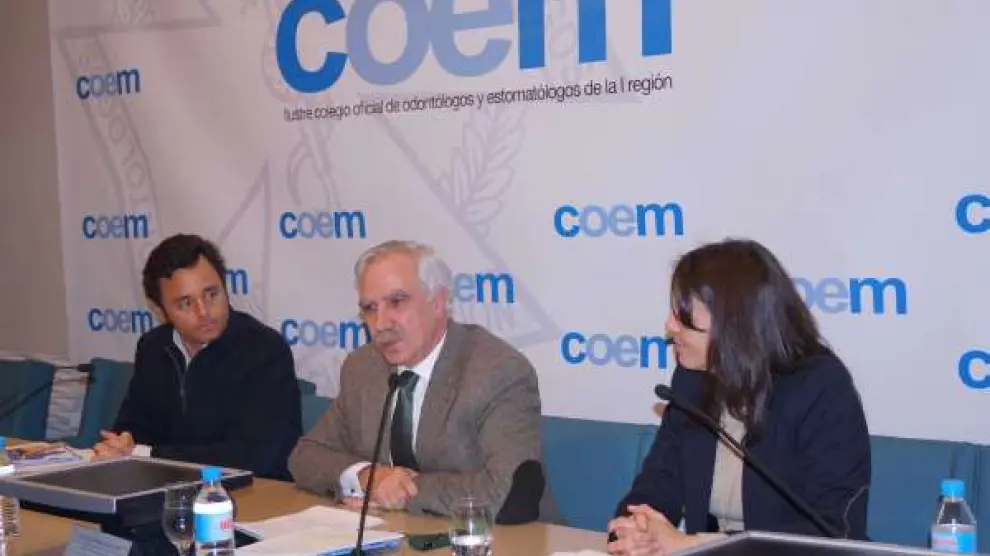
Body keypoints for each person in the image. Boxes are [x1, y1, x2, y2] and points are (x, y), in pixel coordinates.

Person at [607, 239, 871, 555]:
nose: (669, 326)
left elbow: (833, 531)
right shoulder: (692, 379)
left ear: (734, 323)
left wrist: (695, 545)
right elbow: (657, 484)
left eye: (683, 315)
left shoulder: (820, 387)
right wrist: (638, 529)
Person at [288, 240, 548, 523]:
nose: (381, 323)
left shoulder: (497, 371)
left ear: (437, 303)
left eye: (397, 302)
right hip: (399, 534)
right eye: (370, 308)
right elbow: (304, 457)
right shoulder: (363, 368)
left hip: (498, 537)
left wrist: (401, 492)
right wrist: (368, 477)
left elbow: (508, 493)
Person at [94, 233, 302, 480]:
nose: (204, 312)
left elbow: (256, 456)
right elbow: (132, 428)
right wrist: (121, 445)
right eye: (185, 303)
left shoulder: (264, 349)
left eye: (211, 294)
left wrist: (147, 454)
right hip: (166, 486)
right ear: (160, 310)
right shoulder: (154, 347)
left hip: (250, 491)